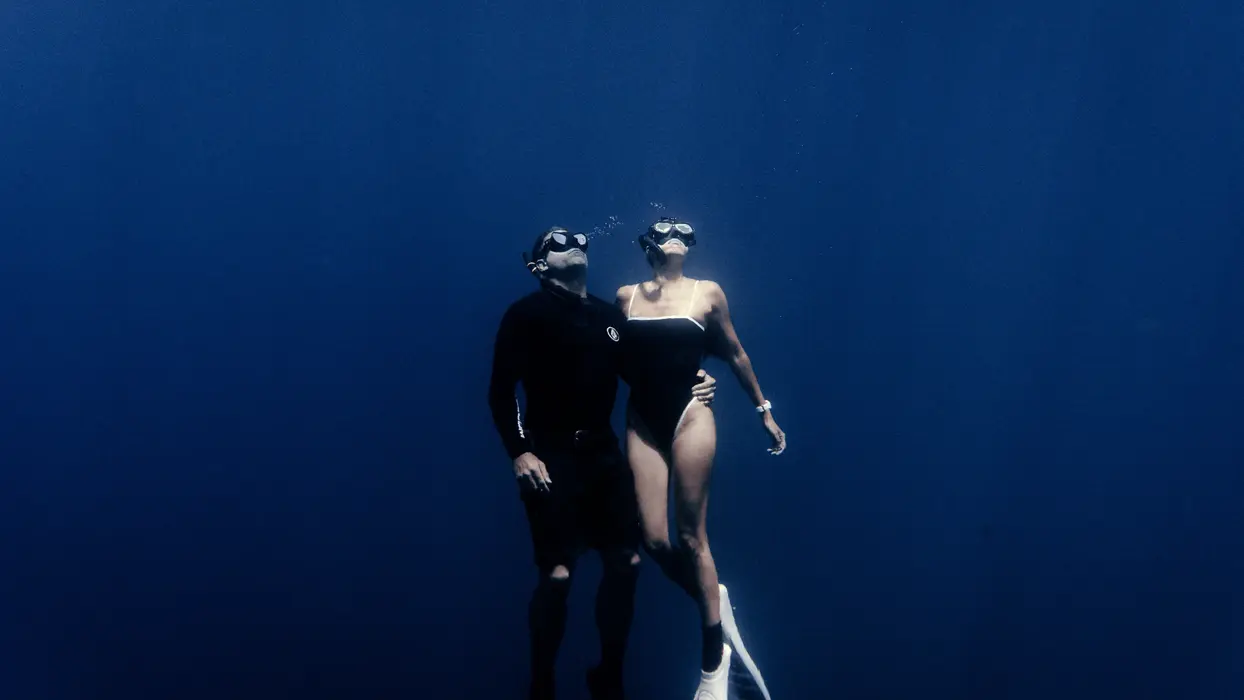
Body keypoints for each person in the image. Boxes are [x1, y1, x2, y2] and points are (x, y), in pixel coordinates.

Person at [488, 226, 719, 700]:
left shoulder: (609, 319)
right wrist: (520, 451)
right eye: (555, 241)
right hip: (549, 456)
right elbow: (500, 389)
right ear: (537, 265)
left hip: (603, 454)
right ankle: (542, 681)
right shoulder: (524, 315)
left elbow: (648, 371)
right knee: (557, 577)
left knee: (629, 561)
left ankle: (608, 674)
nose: (570, 242)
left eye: (577, 238)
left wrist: (697, 379)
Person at [615, 217, 786, 700]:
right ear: (650, 243)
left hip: (691, 416)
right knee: (652, 539)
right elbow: (614, 359)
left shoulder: (708, 293)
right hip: (642, 422)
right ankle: (712, 598)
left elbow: (734, 353)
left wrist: (764, 412)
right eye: (666, 228)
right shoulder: (624, 296)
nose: (676, 235)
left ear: (690, 246)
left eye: (684, 232)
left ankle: (713, 667)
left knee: (693, 539)